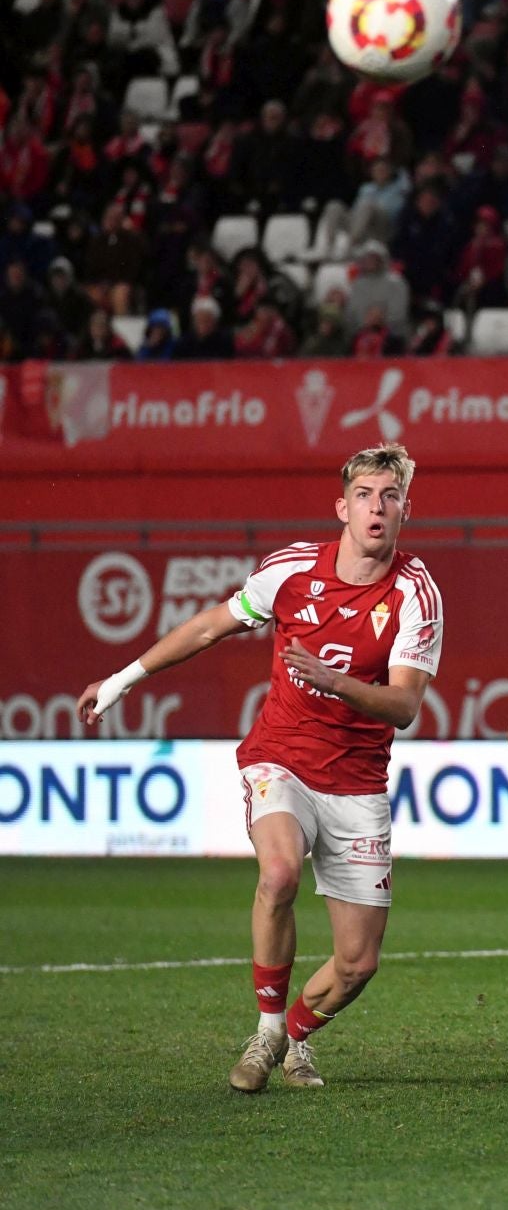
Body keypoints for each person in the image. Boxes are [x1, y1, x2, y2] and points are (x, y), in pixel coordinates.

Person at [77, 444, 443, 1093]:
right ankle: (267, 1030)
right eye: (364, 494)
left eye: (390, 496)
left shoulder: (416, 593)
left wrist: (336, 679)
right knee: (278, 874)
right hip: (283, 757)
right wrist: (124, 677)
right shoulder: (292, 572)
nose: (376, 507)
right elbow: (209, 628)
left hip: (357, 781)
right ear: (343, 506)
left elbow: (406, 706)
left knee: (357, 963)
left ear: (406, 509)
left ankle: (295, 1038)